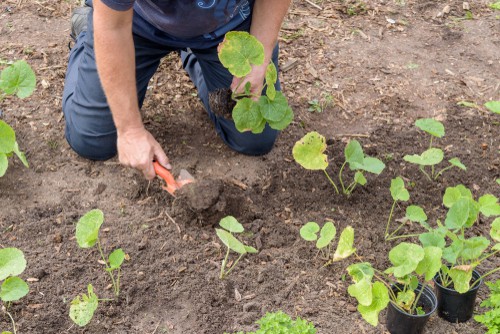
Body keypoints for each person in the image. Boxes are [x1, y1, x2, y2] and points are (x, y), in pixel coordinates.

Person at [62, 0, 291, 180]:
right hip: (135, 23)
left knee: (254, 137)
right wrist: (130, 129)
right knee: (92, 139)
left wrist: (260, 52)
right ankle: (87, 32)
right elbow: (112, 27)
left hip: (225, 29)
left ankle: (194, 55)